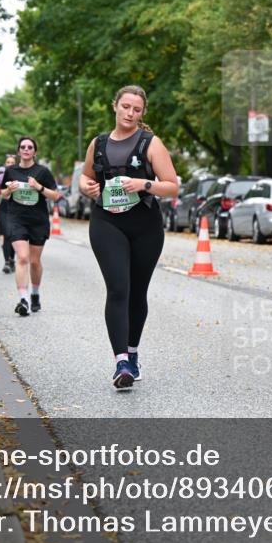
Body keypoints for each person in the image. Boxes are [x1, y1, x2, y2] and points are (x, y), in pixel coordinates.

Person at [79, 85, 179, 390]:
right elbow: (86, 177)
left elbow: (172, 186)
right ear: (115, 106)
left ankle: (133, 352)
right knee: (118, 289)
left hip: (145, 224)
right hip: (106, 221)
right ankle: (121, 361)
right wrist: (87, 188)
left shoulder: (151, 143)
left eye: (136, 109)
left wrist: (143, 184)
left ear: (142, 112)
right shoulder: (98, 143)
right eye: (125, 107)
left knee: (137, 293)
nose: (130, 113)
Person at [0, 136, 60, 316]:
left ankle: (34, 293)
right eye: (23, 147)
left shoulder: (42, 172)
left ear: (34, 151)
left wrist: (39, 187)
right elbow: (3, 194)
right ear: (18, 151)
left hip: (38, 221)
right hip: (16, 219)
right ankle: (23, 299)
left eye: (30, 147)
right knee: (23, 258)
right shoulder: (10, 171)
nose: (26, 149)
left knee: (34, 261)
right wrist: (9, 190)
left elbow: (55, 196)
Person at [0, 154, 17, 273]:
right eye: (8, 162)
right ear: (5, 164)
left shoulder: (20, 176)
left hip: (16, 208)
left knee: (13, 235)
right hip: (2, 208)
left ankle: (12, 258)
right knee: (7, 233)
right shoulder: (0, 178)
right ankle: (7, 262)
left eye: (12, 163)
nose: (10, 164)